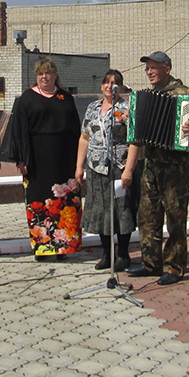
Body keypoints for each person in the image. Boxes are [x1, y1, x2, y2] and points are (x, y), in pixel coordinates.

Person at [126, 51, 189, 286]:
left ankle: (174, 266)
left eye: (153, 68)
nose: (149, 72)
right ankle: (151, 263)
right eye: (147, 68)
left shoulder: (185, 94)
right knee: (147, 214)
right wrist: (131, 118)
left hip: (177, 166)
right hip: (151, 164)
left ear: (167, 69)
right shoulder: (145, 96)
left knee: (175, 215)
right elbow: (137, 131)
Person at [2, 57, 82, 260]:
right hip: (37, 159)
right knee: (40, 202)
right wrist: (21, 159)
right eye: (40, 74)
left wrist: (79, 161)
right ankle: (42, 247)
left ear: (55, 74)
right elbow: (18, 131)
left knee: (64, 202)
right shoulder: (27, 98)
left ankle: (63, 247)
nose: (44, 77)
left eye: (47, 73)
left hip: (64, 158)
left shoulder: (65, 97)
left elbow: (76, 129)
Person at [75, 69, 139, 271]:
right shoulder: (92, 108)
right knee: (101, 210)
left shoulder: (126, 108)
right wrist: (79, 166)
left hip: (118, 167)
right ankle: (107, 254)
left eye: (114, 83)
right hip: (97, 168)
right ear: (101, 85)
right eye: (106, 82)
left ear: (121, 87)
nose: (110, 86)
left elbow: (134, 141)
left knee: (121, 210)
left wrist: (128, 170)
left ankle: (123, 255)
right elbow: (84, 137)